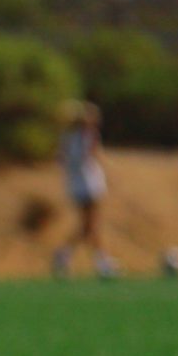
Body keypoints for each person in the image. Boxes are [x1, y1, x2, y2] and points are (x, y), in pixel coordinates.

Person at [53, 101, 117, 279]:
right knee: (90, 225)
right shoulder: (87, 136)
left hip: (75, 183)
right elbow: (94, 155)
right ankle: (101, 262)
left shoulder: (67, 137)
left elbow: (60, 159)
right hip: (89, 182)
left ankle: (67, 255)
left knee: (88, 225)